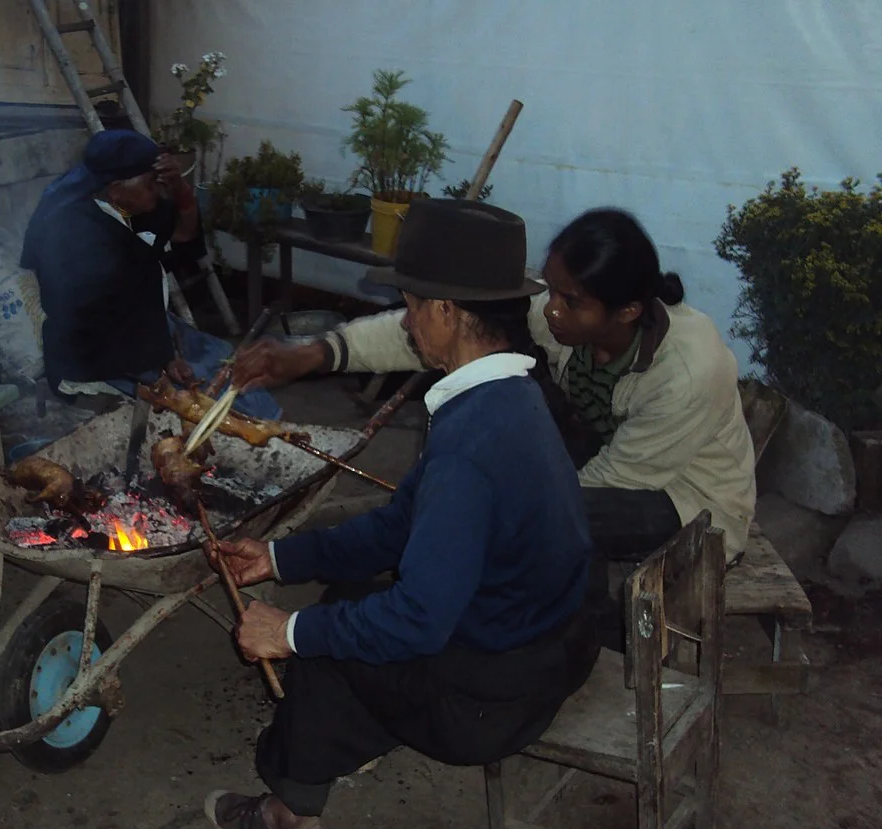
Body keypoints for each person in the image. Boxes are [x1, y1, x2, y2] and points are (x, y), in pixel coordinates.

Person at [201, 199, 598, 829]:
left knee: (326, 647)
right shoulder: (512, 396)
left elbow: (418, 619)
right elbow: (399, 526)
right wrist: (278, 557)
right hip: (551, 645)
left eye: (413, 306)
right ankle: (353, 735)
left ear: (447, 310)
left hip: (498, 698)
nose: (410, 324)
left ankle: (287, 820)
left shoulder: (472, 443)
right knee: (347, 606)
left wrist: (287, 631)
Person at [233, 208, 757, 643]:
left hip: (681, 502)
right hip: (600, 455)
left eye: (569, 301)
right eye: (549, 289)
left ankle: (554, 627)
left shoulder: (689, 372)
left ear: (627, 311)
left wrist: (469, 514)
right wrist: (319, 353)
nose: (549, 310)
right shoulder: (563, 319)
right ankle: (436, 582)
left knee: (503, 522)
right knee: (471, 498)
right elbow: (432, 324)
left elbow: (593, 490)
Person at [20, 129, 280, 419]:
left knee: (226, 363)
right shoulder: (75, 233)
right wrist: (161, 362)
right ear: (117, 188)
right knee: (212, 406)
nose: (157, 192)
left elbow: (183, 233)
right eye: (150, 185)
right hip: (101, 352)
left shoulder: (115, 202)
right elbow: (101, 320)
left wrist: (179, 187)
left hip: (142, 327)